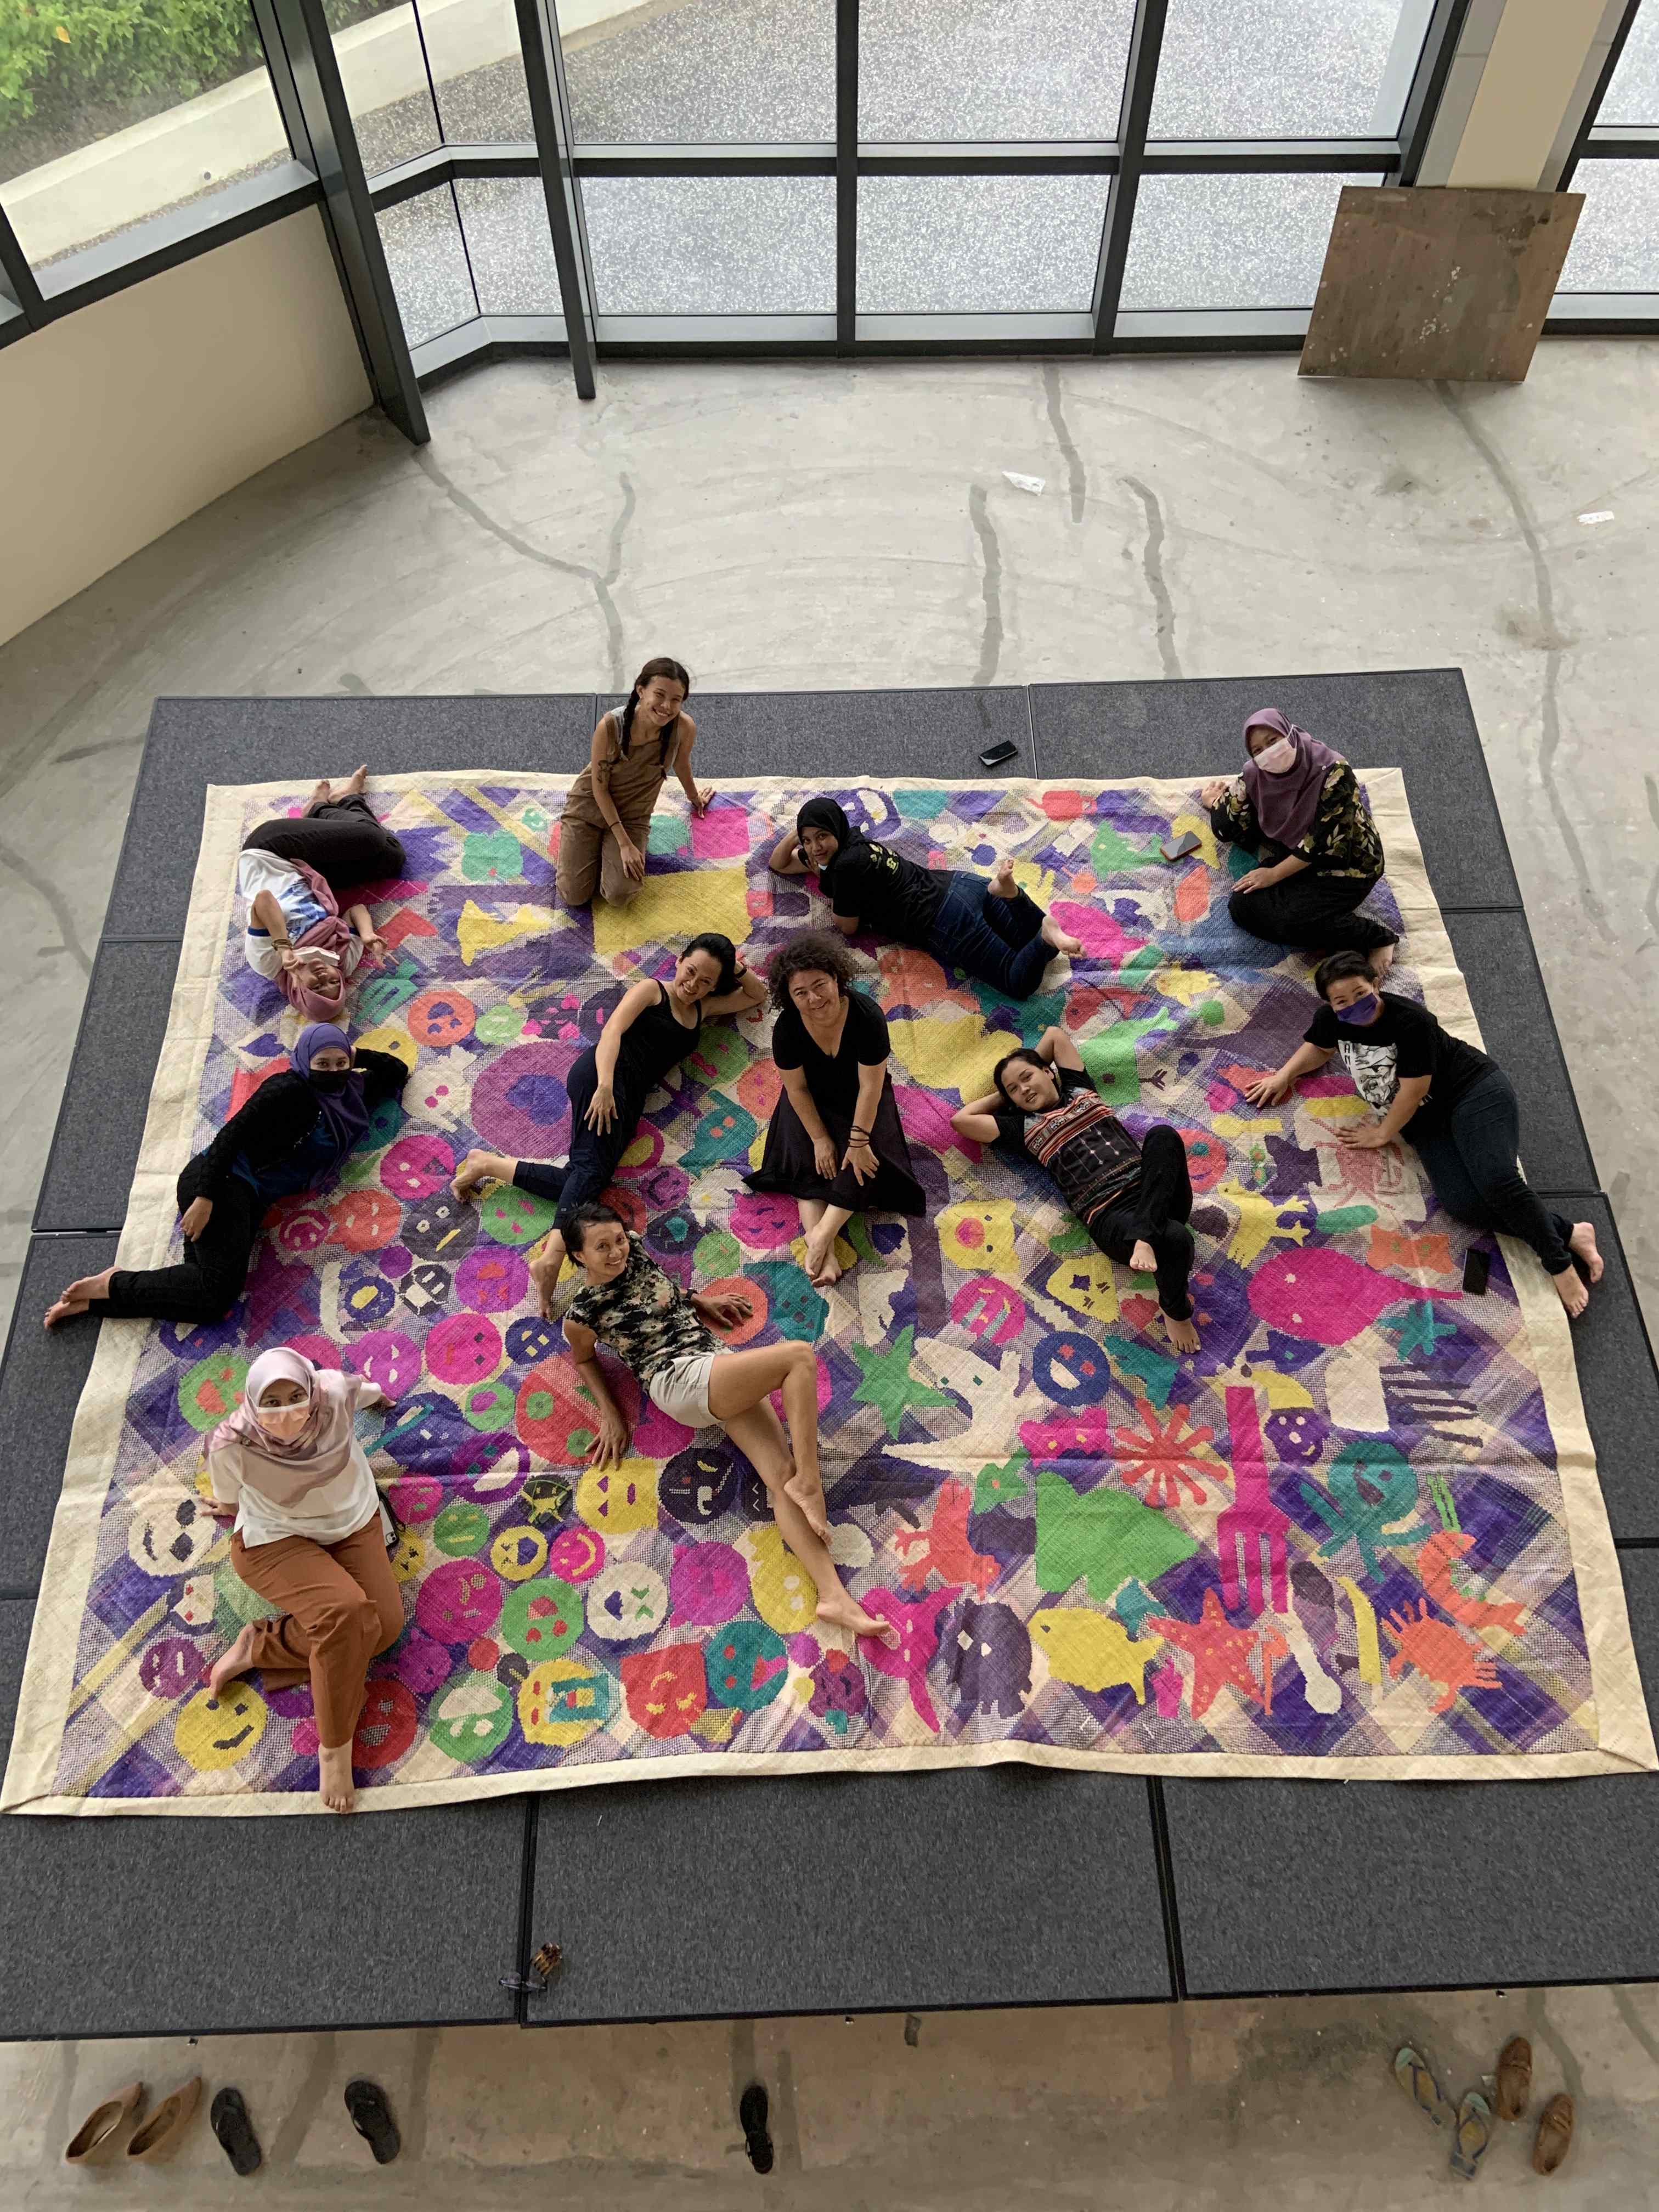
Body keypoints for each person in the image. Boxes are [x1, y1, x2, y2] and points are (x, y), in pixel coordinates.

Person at [558, 1203, 899, 1647]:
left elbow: (658, 1288)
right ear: (579, 1255)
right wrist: (610, 1414)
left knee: (781, 1477)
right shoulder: (583, 1313)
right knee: (798, 1357)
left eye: (619, 1239)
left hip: (714, 1365)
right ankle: (811, 1483)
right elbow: (584, 1360)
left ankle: (834, 1597)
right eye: (601, 1247)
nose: (617, 1252)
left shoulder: (635, 1251)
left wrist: (699, 1300)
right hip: (677, 1379)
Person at [1243, 950, 1602, 1318]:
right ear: (1330, 1005)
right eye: (1341, 1001)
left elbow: (1413, 1092)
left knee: (1496, 1181)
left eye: (1360, 994)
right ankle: (1569, 1232)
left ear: (1376, 985)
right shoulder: (1331, 1019)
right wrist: (1284, 1076)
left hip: (1470, 1092)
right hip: (1425, 1121)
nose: (1353, 1005)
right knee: (1463, 1204)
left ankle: (1558, 1263)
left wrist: (1382, 1133)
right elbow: (1320, 1049)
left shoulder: (1412, 1022)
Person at [451, 934, 765, 1296]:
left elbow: (756, 995)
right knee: (588, 1173)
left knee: (586, 1179)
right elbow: (612, 1030)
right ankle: (551, 1258)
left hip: (630, 1099)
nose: (693, 985)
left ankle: (486, 1165)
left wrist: (733, 965)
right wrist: (604, 1086)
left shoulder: (702, 1009)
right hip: (602, 1078)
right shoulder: (652, 990)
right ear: (679, 961)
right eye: (691, 971)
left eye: (706, 981)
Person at [44, 1025, 408, 1328]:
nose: (332, 1071)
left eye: (340, 1063)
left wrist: (354, 1053)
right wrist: (205, 1197)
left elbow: (398, 1071)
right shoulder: (288, 1088)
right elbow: (230, 1136)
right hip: (223, 1181)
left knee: (209, 1302)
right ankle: (113, 1284)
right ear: (303, 1060)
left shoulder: (353, 1093)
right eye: (322, 1063)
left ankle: (97, 1302)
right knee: (215, 1291)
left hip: (250, 1198)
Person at [201, 1349, 402, 1814]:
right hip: (277, 1539)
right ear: (252, 1403)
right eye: (271, 1403)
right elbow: (229, 1498)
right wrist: (228, 1509)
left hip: (354, 1523)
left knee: (383, 1628)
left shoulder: (332, 1393)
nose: (287, 1412)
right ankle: (335, 1749)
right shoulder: (230, 1443)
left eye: (296, 1396)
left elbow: (361, 1389)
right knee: (345, 1614)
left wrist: (379, 1398)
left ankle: (262, 1646)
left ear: (312, 1389)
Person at [951, 1023, 1201, 1354]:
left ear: (1049, 1071)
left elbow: (1055, 1036)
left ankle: (1147, 1233)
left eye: (1027, 1077)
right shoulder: (1023, 1128)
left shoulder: (1080, 1089)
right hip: (1112, 1217)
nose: (1023, 1089)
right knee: (1177, 1238)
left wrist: (1025, 1072)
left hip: (1156, 1194)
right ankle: (1175, 1310)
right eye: (1014, 1089)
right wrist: (1008, 1093)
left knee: (1163, 1135)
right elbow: (961, 1120)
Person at [742, 930, 924, 1289]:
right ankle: (825, 1259)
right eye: (800, 993)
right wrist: (820, 1138)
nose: (813, 999)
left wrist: (858, 1141)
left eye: (819, 985)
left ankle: (821, 1236)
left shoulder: (867, 1017)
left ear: (837, 979)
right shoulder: (787, 1029)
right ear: (789, 997)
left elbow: (871, 1086)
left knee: (867, 1159)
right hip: (811, 1098)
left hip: (863, 1097)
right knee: (806, 1160)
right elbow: (796, 1088)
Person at [770, 798, 1082, 998]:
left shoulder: (842, 871)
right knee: (1034, 945)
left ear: (834, 830)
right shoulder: (853, 842)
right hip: (962, 886)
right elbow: (779, 863)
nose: (814, 848)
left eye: (821, 836)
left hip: (943, 920)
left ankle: (1043, 932)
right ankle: (1012, 896)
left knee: (1019, 982)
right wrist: (801, 834)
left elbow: (847, 926)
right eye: (807, 840)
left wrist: (828, 882)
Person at [1200, 709, 1398, 965]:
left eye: (1273, 741)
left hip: (1347, 862)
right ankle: (1323, 924)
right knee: (1242, 905)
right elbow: (1229, 821)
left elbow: (1321, 843)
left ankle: (1377, 938)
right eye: (1258, 750)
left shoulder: (1334, 771)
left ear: (1289, 733)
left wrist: (1274, 874)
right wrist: (1216, 803)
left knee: (1294, 921)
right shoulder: (1254, 774)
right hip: (1293, 853)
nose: (1269, 753)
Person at [238, 764, 402, 1020]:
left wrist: (284, 948)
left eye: (316, 987)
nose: (325, 977)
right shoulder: (343, 962)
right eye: (334, 983)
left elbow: (264, 900)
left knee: (372, 838)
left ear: (297, 989)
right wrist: (367, 935)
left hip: (270, 851)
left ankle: (321, 807)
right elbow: (356, 910)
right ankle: (344, 801)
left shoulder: (269, 964)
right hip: (308, 871)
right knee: (393, 857)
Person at [556, 657, 711, 909]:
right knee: (573, 895)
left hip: (634, 815)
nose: (666, 706)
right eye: (659, 695)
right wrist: (624, 844)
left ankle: (600, 850)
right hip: (590, 807)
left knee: (620, 895)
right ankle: (586, 841)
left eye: (676, 699)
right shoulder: (610, 726)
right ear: (641, 690)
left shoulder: (684, 728)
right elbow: (599, 788)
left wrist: (694, 797)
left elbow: (681, 763)